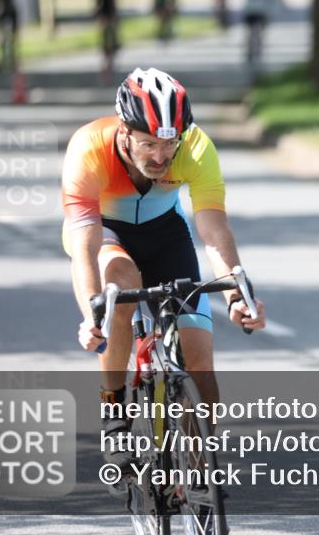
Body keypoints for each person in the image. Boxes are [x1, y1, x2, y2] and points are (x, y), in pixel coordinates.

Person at [61, 67, 266, 454]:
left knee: (200, 360)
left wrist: (238, 297)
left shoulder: (196, 147)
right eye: (149, 145)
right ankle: (114, 410)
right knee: (120, 284)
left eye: (169, 145)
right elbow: (83, 247)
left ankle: (199, 480)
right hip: (106, 234)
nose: (161, 157)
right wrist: (92, 315)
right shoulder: (88, 148)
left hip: (165, 234)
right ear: (125, 132)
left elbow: (215, 232)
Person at [92, 0, 118, 78]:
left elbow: (102, 2)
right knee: (107, 37)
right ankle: (108, 56)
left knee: (108, 37)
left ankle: (109, 55)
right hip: (106, 15)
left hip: (107, 15)